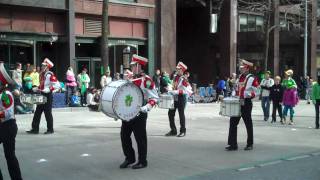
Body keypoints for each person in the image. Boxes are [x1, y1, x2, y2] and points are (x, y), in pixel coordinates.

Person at [119, 54, 158, 169]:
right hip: (128, 112)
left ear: (138, 66)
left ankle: (142, 161)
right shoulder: (131, 79)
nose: (130, 68)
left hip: (140, 112)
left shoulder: (146, 80)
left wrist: (146, 108)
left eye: (133, 66)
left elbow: (154, 98)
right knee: (124, 136)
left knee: (140, 138)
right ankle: (129, 158)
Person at [226, 59, 259, 151]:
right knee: (232, 122)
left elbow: (257, 91)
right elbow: (236, 89)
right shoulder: (239, 77)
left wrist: (249, 95)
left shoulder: (252, 78)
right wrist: (233, 95)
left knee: (248, 124)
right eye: (240, 68)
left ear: (247, 69)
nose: (240, 69)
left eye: (242, 68)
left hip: (246, 103)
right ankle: (233, 144)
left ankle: (250, 144)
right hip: (237, 102)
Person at [0, 62, 23, 180]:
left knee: (10, 156)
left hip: (8, 127)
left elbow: (8, 113)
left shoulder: (5, 94)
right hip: (2, 126)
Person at [26, 58, 60, 134]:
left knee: (47, 113)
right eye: (42, 65)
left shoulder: (50, 74)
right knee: (37, 113)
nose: (42, 67)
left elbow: (57, 85)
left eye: (44, 65)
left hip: (47, 95)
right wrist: (37, 88)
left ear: (47, 67)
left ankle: (50, 129)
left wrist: (49, 89)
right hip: (41, 95)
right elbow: (42, 85)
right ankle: (35, 129)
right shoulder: (42, 74)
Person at [165, 61, 192, 137]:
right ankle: (173, 130)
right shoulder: (175, 77)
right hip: (174, 98)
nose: (177, 70)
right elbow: (173, 86)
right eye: (177, 69)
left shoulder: (184, 79)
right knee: (170, 114)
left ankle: (183, 131)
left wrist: (177, 92)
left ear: (182, 70)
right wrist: (169, 88)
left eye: (179, 69)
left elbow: (189, 90)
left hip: (181, 98)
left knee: (181, 114)